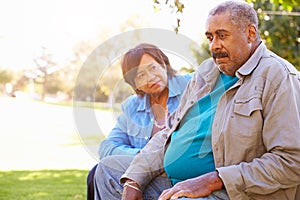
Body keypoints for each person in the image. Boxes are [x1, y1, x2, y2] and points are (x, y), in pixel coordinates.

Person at [94, 1, 300, 200]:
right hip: (176, 181)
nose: (214, 46)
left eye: (222, 36)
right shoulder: (206, 72)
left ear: (250, 33)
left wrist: (215, 179)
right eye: (210, 37)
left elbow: (292, 161)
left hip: (234, 192)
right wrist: (134, 180)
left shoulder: (277, 77)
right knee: (108, 173)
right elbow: (169, 133)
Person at [86, 43, 192, 199]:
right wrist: (143, 156)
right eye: (141, 75)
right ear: (135, 84)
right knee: (101, 170)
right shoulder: (132, 106)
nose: (150, 77)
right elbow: (106, 147)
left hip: (183, 177)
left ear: (164, 64)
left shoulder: (191, 85)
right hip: (144, 177)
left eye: (153, 68)